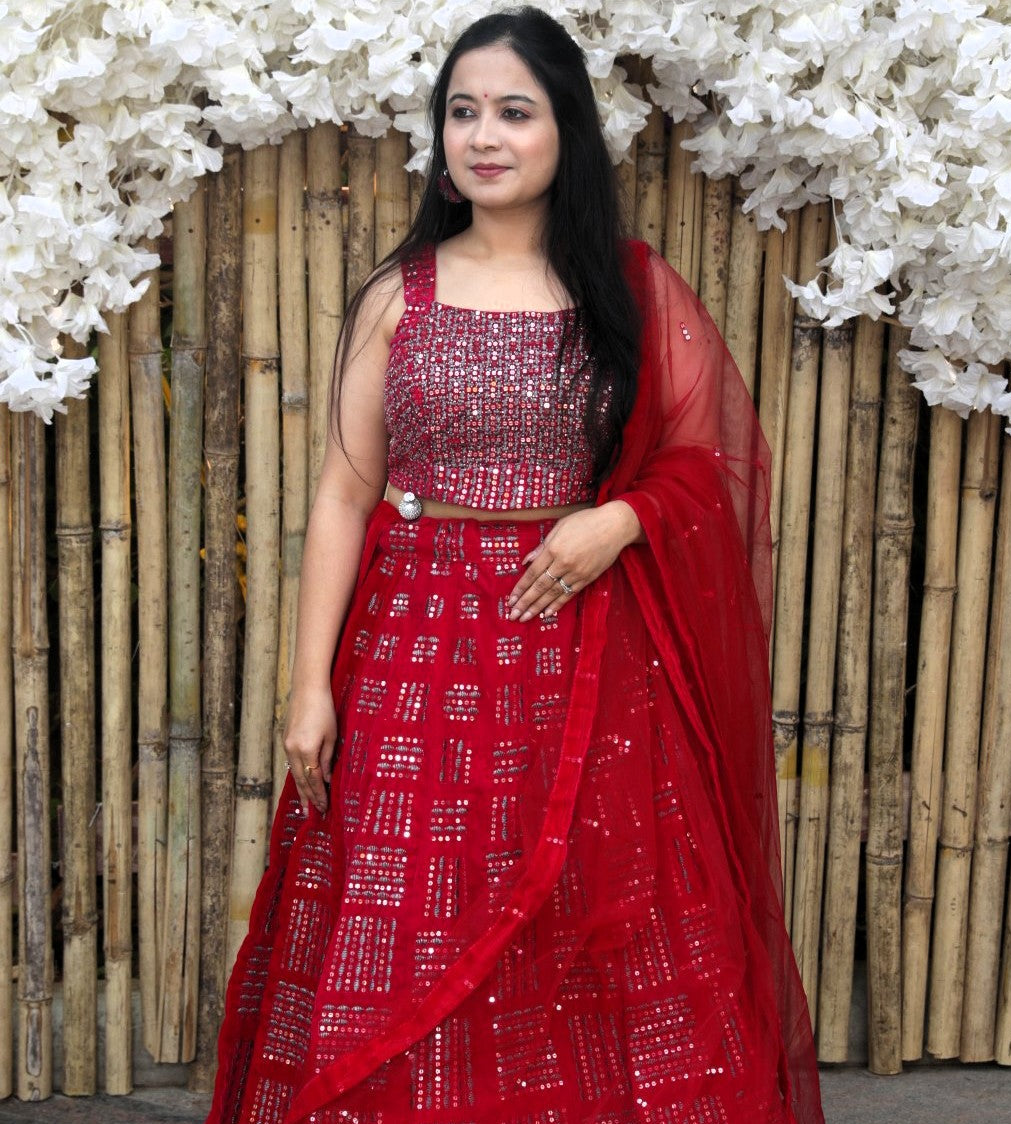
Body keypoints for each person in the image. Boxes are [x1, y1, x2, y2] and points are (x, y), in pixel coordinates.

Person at [207, 7, 823, 1123]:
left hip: (587, 640)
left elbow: (713, 458)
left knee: (598, 904)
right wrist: (308, 686)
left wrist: (621, 520)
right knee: (408, 904)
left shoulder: (624, 289)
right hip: (415, 648)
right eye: (460, 112)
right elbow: (345, 492)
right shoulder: (400, 295)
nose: (482, 136)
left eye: (513, 112)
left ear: (564, 134)